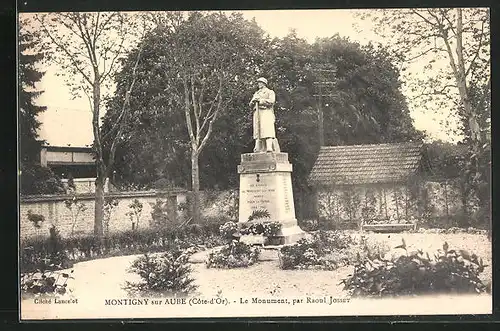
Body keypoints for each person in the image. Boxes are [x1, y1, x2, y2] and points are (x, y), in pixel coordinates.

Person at [249, 77, 280, 153]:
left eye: (260, 82)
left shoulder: (270, 92)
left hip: (266, 111)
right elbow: (250, 104)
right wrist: (253, 101)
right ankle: (259, 147)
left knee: (267, 129)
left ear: (264, 83)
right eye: (258, 82)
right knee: (258, 130)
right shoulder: (256, 93)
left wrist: (261, 101)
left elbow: (271, 101)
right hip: (257, 112)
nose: (259, 84)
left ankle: (269, 147)